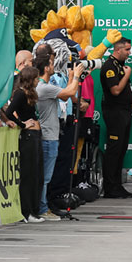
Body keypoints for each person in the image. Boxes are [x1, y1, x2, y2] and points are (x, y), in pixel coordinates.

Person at [33, 46, 85, 219]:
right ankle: (42, 209)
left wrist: (70, 77)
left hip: (49, 135)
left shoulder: (42, 86)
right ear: (46, 67)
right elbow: (69, 94)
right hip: (48, 137)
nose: (54, 66)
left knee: (46, 176)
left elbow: (66, 94)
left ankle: (44, 206)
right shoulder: (44, 87)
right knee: (46, 177)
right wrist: (76, 75)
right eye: (52, 63)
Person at [1, 67, 45, 224]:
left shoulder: (29, 94)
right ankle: (26, 211)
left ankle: (33, 209)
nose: (38, 80)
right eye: (36, 78)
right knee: (28, 175)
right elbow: (9, 112)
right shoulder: (20, 93)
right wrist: (22, 124)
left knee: (36, 174)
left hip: (35, 136)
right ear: (30, 79)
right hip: (27, 137)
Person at [100, 38, 132, 198]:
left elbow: (126, 90)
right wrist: (127, 74)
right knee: (114, 150)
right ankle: (110, 187)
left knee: (121, 150)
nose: (129, 53)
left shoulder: (119, 65)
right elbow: (115, 90)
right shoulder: (109, 66)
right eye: (127, 50)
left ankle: (117, 185)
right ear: (118, 50)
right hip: (114, 113)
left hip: (125, 111)